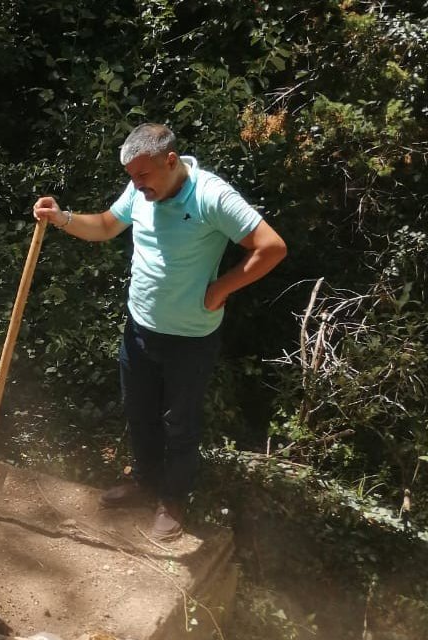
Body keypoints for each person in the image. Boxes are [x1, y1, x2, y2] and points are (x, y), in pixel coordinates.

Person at [32, 123, 287, 541]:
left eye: (143, 175)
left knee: (181, 424)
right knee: (139, 414)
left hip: (190, 339)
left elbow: (271, 246)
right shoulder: (140, 190)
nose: (136, 185)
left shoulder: (211, 196)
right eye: (132, 176)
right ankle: (144, 482)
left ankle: (172, 500)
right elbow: (105, 226)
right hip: (139, 328)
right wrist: (60, 217)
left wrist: (221, 288)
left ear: (170, 161)